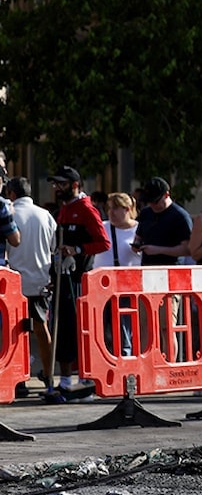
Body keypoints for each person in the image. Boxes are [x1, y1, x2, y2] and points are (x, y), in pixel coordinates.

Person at [48, 166, 109, 398]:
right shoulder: (64, 209)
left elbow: (103, 243)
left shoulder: (86, 208)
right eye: (56, 184)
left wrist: (78, 249)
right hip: (63, 278)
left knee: (79, 329)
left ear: (74, 185)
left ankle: (86, 382)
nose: (57, 188)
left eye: (61, 184)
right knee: (63, 330)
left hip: (79, 280)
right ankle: (64, 381)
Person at [3, 176, 56, 396]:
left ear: (12, 194)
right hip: (39, 280)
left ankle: (18, 379)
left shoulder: (10, 212)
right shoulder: (45, 215)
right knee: (41, 329)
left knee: (12, 332)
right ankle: (49, 373)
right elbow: (53, 245)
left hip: (13, 282)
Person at [91, 193, 143, 358]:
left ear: (127, 210)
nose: (111, 213)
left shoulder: (139, 230)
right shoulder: (103, 227)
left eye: (115, 209)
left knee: (123, 330)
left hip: (127, 288)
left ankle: (124, 362)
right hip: (100, 286)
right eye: (109, 208)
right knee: (99, 330)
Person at [135, 177, 192, 266]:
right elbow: (139, 236)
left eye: (155, 201)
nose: (152, 205)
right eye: (149, 201)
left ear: (166, 195)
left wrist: (159, 250)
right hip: (147, 268)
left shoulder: (180, 216)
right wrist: (137, 245)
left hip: (171, 269)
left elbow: (187, 249)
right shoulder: (146, 212)